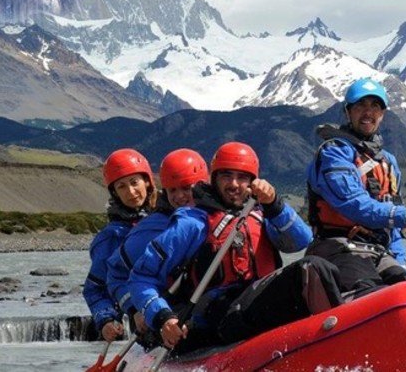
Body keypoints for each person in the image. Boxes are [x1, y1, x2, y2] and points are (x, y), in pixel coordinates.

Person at [126, 141, 342, 353]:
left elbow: (302, 240)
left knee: (323, 269)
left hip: (256, 304)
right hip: (217, 315)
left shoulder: (259, 213)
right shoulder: (192, 222)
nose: (234, 184)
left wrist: (275, 204)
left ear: (253, 182)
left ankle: (331, 340)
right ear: (214, 179)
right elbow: (141, 278)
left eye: (242, 177)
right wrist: (162, 317)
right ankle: (339, 347)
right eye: (226, 175)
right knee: (311, 270)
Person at [305, 78, 406, 295]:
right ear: (348, 111)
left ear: (382, 114)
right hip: (337, 247)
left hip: (378, 251)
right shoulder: (334, 153)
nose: (368, 112)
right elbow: (353, 204)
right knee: (368, 292)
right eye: (360, 105)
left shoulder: (388, 162)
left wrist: (400, 262)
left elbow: (393, 227)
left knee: (405, 291)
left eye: (375, 106)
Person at [106, 148, 210, 330]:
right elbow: (116, 275)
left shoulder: (226, 214)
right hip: (173, 313)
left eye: (186, 188)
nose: (179, 196)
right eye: (172, 190)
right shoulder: (149, 230)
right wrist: (136, 309)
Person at [83, 148, 156, 342]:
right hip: (144, 317)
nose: (131, 192)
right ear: (114, 192)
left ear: (147, 182)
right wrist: (106, 319)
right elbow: (95, 288)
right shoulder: (110, 238)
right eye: (122, 186)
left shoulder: (170, 218)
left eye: (134, 182)